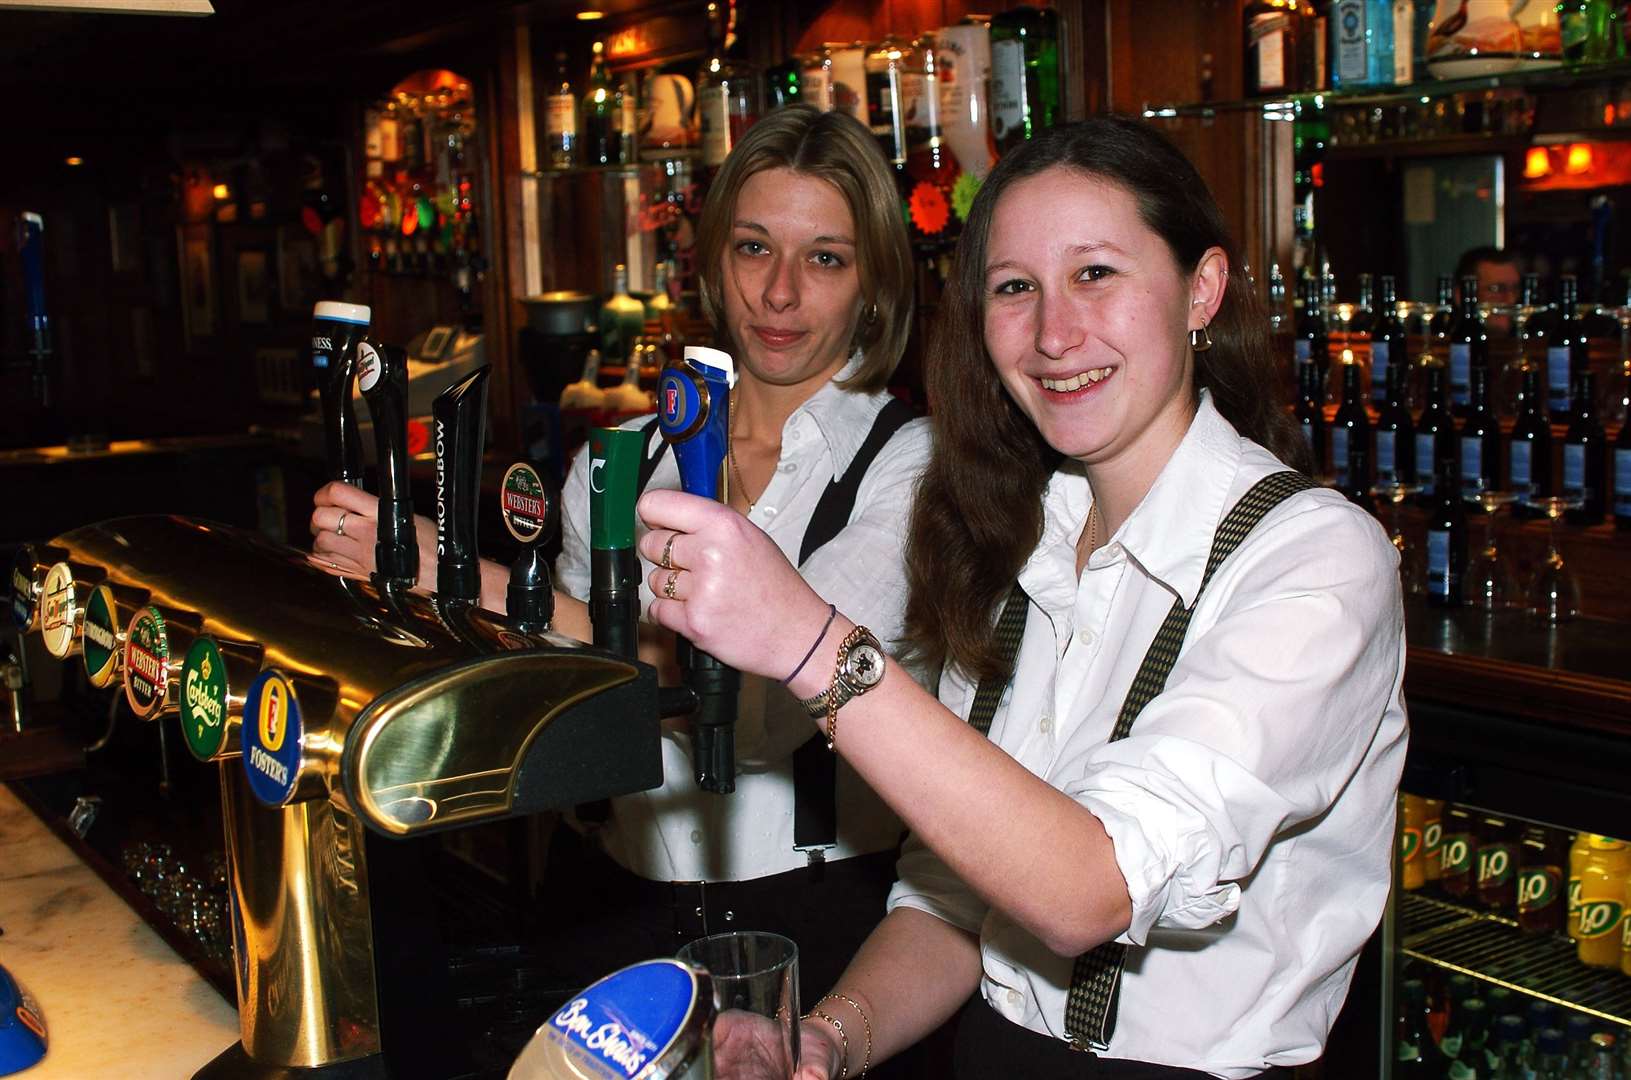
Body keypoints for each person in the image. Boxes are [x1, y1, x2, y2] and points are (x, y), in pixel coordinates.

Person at [634, 116, 1408, 1080]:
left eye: (1095, 273)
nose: (1052, 334)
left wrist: (804, 640)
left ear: (1199, 289)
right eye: (1014, 289)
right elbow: (955, 898)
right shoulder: (1013, 544)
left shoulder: (1314, 558)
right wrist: (830, 1038)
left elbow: (1093, 888)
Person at [307, 105, 929, 1012]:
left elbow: (759, 704)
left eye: (825, 258)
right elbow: (576, 698)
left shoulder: (916, 465)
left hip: (817, 919)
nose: (781, 293)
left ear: (874, 282)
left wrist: (465, 576)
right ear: (714, 260)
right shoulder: (616, 458)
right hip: (603, 905)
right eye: (755, 248)